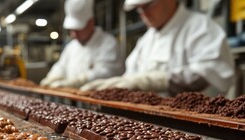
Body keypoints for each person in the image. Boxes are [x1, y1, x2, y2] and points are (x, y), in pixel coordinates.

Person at [81, 0, 235, 96]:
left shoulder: (201, 28)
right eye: (139, 9)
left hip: (197, 130)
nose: (143, 14)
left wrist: (157, 81)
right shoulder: (146, 40)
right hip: (150, 128)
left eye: (147, 5)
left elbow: (210, 74)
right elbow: (131, 77)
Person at [40, 0, 124, 88]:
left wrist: (81, 80)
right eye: (71, 30)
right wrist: (52, 77)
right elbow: (61, 67)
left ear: (91, 23)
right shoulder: (71, 47)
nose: (73, 34)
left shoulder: (108, 43)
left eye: (78, 29)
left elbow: (108, 72)